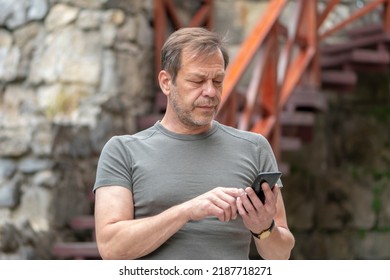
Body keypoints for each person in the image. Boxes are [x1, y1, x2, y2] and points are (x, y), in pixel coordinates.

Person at [93, 27, 295, 260]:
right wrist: (187, 211)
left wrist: (264, 229)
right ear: (166, 82)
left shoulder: (255, 147)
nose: (210, 91)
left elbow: (281, 256)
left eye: (217, 81)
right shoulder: (122, 151)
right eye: (197, 81)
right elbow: (111, 248)